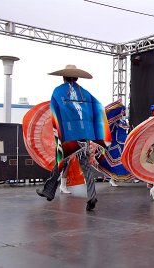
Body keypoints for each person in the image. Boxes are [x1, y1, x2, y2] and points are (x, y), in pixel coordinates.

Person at [36, 64, 111, 211]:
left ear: (63, 77)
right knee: (86, 168)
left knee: (61, 162)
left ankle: (49, 191)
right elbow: (98, 107)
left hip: (69, 135)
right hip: (84, 136)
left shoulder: (58, 91)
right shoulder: (85, 94)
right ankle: (92, 196)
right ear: (76, 77)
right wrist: (91, 133)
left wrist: (59, 132)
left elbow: (56, 112)